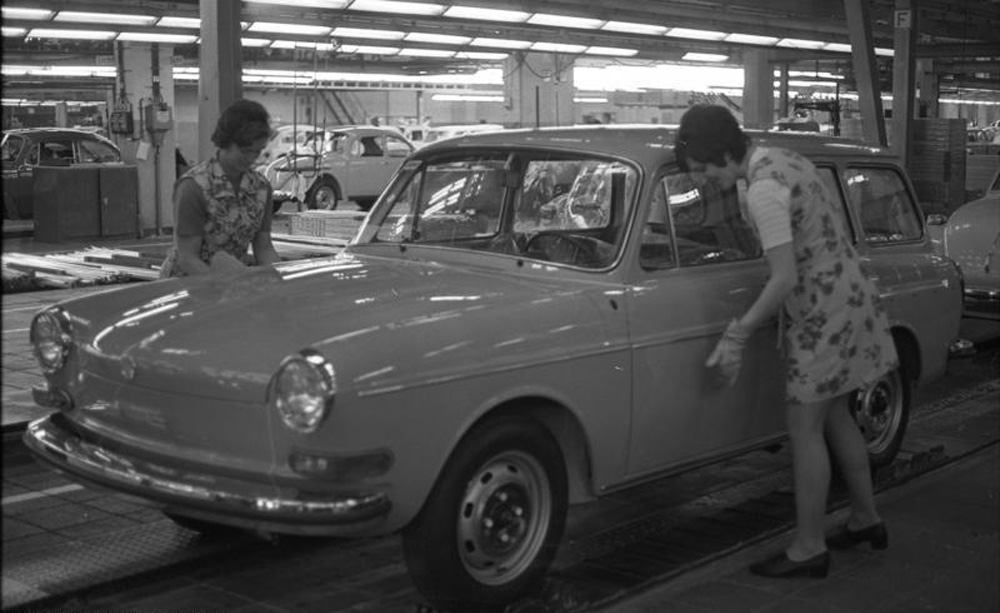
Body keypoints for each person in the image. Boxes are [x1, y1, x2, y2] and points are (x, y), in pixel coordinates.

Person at [674, 105, 897, 579]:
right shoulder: (783, 158)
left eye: (703, 169)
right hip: (847, 296)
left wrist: (738, 332)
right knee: (837, 415)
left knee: (804, 430)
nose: (704, 180)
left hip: (820, 314)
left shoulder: (763, 191)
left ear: (720, 154)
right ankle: (865, 518)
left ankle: (809, 546)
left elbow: (782, 279)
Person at [160, 99, 280, 278]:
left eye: (258, 151)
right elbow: (188, 258)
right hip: (186, 284)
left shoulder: (260, 189)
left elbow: (263, 248)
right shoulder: (194, 187)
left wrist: (281, 280)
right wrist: (222, 288)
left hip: (231, 283)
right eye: (246, 151)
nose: (252, 158)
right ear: (226, 142)